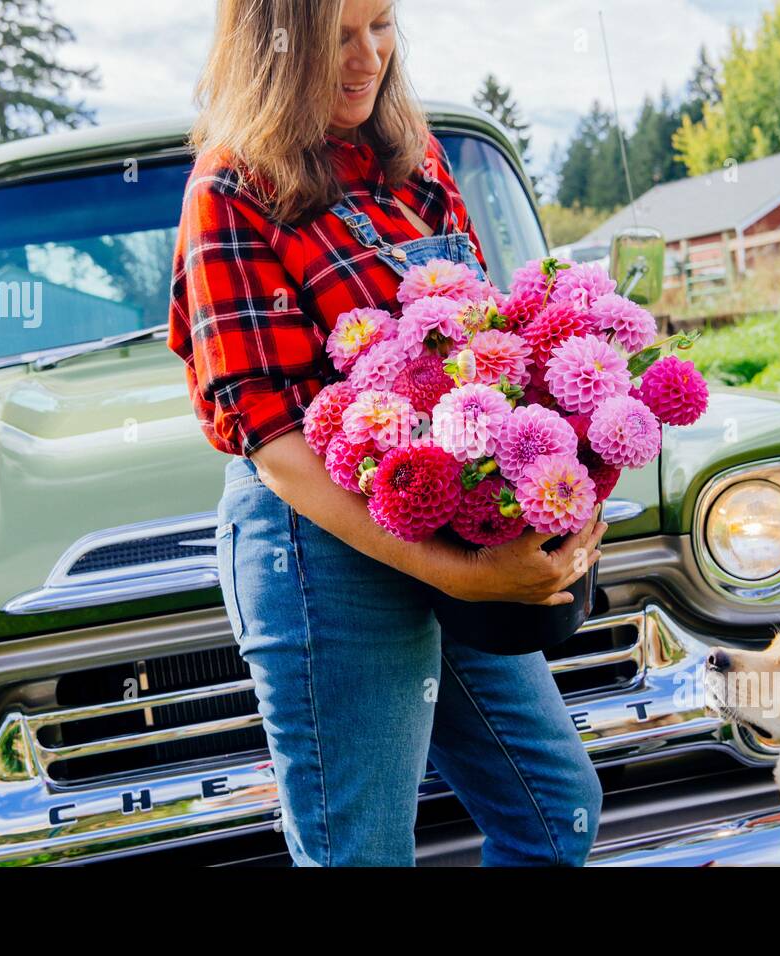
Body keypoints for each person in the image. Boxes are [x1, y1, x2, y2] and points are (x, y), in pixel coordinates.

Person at [168, 0, 606, 866]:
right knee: (361, 854)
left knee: (558, 813)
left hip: (437, 511)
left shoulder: (414, 159)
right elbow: (276, 443)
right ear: (273, 46)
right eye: (335, 36)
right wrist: (466, 574)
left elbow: (483, 336)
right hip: (317, 542)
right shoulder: (231, 190)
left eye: (382, 24)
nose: (366, 57)